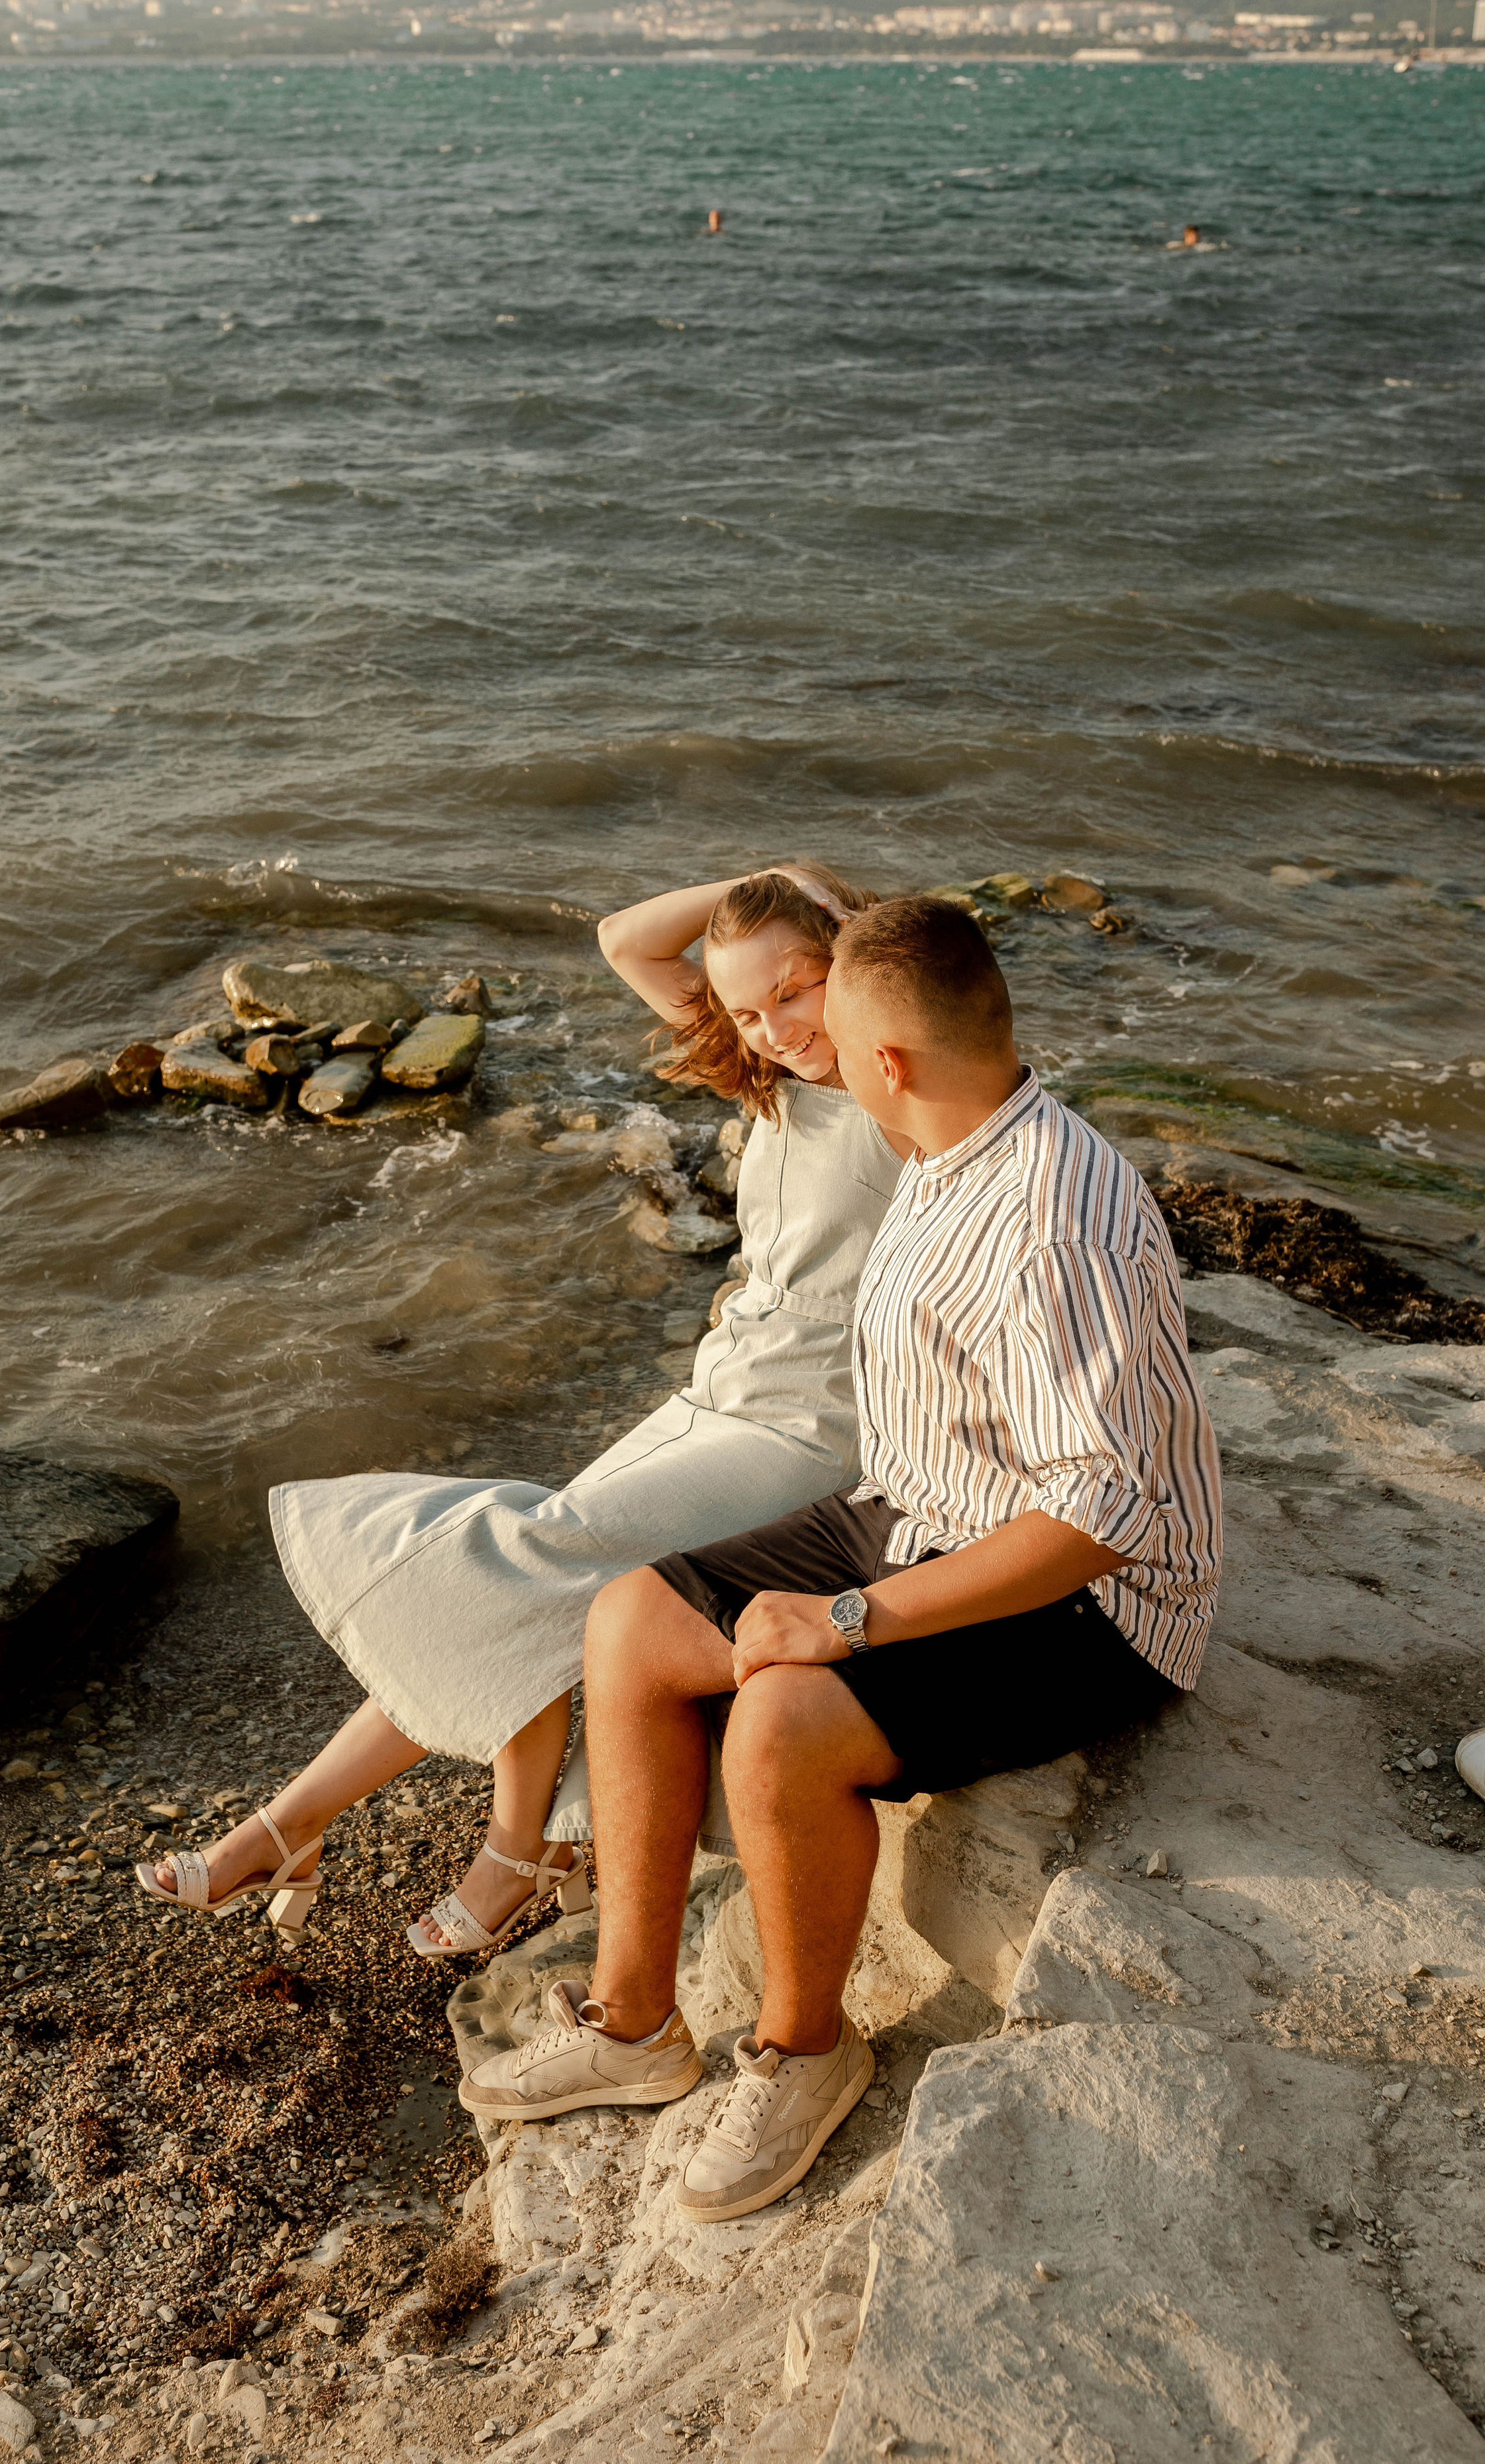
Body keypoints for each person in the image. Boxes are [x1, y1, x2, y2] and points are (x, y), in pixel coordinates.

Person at [460, 895, 1223, 2223]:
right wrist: (801, 932)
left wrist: (850, 1620)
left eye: (820, 1021)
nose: (788, 1045)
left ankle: (804, 2052)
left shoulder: (1049, 1222)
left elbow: (1097, 1518)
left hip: (1088, 1599)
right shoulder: (937, 1118)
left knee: (781, 1724)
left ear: (885, 1060)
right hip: (927, 1501)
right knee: (633, 1620)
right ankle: (636, 2023)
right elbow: (822, 967)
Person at [134, 866, 907, 1957]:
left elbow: (950, 1018)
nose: (775, 1027)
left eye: (798, 989)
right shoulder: (770, 1082)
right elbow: (624, 939)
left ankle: (495, 1844)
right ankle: (299, 1824)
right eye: (745, 1008)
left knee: (515, 1558)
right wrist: (761, 880)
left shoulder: (900, 1089)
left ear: (855, 973)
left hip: (809, 1435)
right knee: (500, 1585)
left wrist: (848, 921)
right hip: (719, 1396)